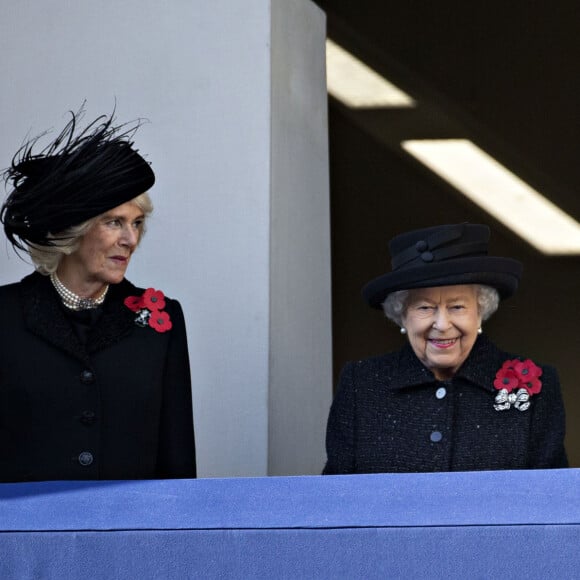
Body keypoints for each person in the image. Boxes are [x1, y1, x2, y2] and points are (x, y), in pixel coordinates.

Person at [0, 109, 196, 482]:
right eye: (115, 222)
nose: (131, 239)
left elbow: (177, 461)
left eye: (137, 223)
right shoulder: (5, 317)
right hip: (21, 537)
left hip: (128, 535)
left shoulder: (160, 322)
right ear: (74, 230)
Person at [323, 223, 567, 474]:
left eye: (457, 307)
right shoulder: (361, 385)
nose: (442, 324)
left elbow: (553, 501)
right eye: (425, 308)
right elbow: (334, 500)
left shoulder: (538, 387)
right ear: (402, 315)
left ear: (480, 312)